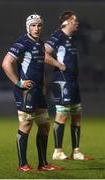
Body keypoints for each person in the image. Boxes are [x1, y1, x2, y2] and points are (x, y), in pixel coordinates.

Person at [2, 13, 60, 172]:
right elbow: (6, 63)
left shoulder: (41, 43)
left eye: (39, 25)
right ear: (28, 26)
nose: (36, 28)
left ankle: (43, 164)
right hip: (26, 92)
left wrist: (42, 85)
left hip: (38, 92)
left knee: (45, 125)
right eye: (33, 25)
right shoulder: (22, 42)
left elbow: (39, 67)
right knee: (26, 124)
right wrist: (18, 82)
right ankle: (23, 164)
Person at [45, 11, 92, 160]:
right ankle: (57, 151)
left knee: (77, 114)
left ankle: (76, 151)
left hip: (73, 81)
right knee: (62, 114)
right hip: (62, 80)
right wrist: (58, 64)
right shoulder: (57, 36)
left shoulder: (73, 38)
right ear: (66, 22)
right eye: (74, 20)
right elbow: (43, 52)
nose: (77, 22)